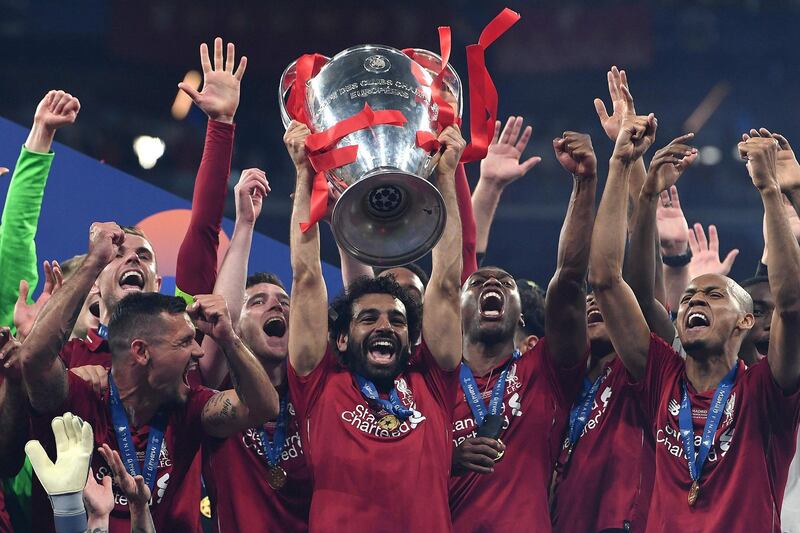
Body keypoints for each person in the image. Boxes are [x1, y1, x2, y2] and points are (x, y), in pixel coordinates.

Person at [589, 73, 800, 531]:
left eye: (712, 292)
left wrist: (773, 194)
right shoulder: (660, 374)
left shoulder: (766, 390)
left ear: (746, 320)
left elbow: (790, 304)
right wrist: (621, 162)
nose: (692, 301)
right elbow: (606, 279)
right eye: (686, 297)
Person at [19, 222, 279, 533]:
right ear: (141, 352)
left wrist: (229, 339)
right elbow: (33, 360)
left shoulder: (188, 404)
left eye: (144, 255)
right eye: (185, 342)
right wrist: (95, 261)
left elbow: (265, 407)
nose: (198, 352)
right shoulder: (80, 386)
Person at [285, 118, 465, 532]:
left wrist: (445, 176)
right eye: (369, 318)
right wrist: (303, 174)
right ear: (343, 338)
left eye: (397, 320)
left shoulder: (433, 382)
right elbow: (307, 277)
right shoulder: (319, 383)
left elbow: (448, 285)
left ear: (411, 336)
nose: (385, 326)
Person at [551, 124, 700, 531]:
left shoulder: (645, 366)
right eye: (588, 304)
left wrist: (630, 173)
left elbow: (627, 283)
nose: (595, 303)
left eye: (603, 303)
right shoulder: (562, 379)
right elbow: (569, 281)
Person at [450, 131, 594, 532]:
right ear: (454, 308)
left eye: (505, 284)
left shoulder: (545, 372)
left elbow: (568, 280)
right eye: (476, 284)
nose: (492, 284)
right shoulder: (432, 377)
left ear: (522, 317)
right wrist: (447, 457)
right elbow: (459, 255)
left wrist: (585, 183)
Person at [198, 167, 312, 532]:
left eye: (282, 301)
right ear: (239, 327)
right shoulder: (215, 393)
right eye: (257, 302)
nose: (276, 306)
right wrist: (245, 223)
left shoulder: (318, 391)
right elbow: (223, 314)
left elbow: (311, 284)